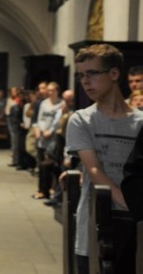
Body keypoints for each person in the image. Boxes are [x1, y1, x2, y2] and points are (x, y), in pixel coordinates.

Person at [65, 44, 143, 274]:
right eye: (81, 76)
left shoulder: (140, 122)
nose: (85, 81)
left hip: (135, 226)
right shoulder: (82, 120)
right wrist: (134, 206)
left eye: (92, 73)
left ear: (114, 73)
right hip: (97, 222)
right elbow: (95, 171)